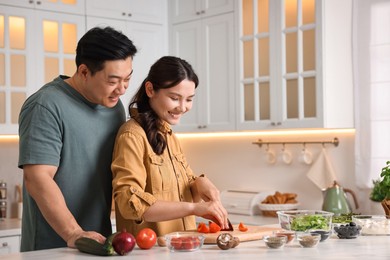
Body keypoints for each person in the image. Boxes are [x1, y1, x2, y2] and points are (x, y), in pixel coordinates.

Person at [18, 26, 137, 251]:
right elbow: (38, 178)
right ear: (83, 72)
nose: (121, 89)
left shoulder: (113, 106)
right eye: (113, 81)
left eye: (127, 79)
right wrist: (74, 233)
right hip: (51, 247)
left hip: (101, 243)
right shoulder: (45, 106)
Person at [111, 56, 229, 238]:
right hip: (149, 252)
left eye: (189, 99)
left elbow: (181, 191)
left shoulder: (169, 136)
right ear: (150, 89)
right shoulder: (131, 136)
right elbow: (129, 202)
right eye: (175, 98)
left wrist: (199, 183)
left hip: (181, 247)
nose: (182, 107)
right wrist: (193, 208)